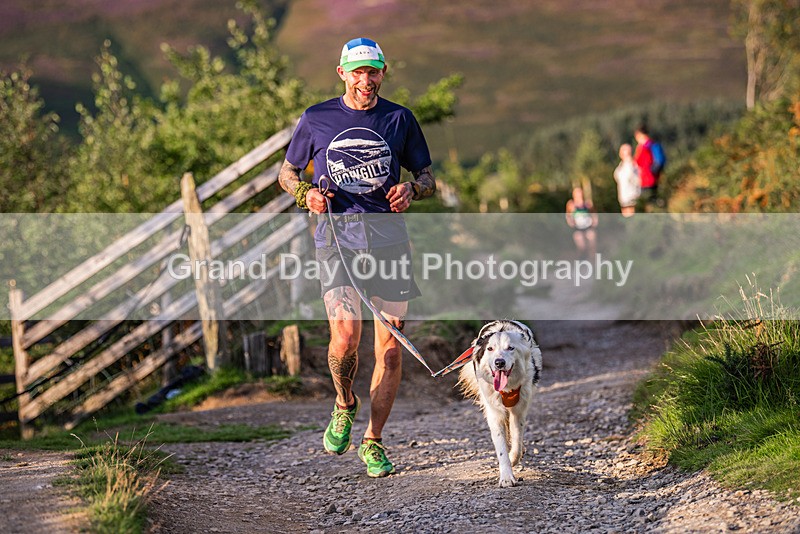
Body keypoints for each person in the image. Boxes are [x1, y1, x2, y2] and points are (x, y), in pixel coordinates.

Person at [277, 37, 436, 478]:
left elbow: (427, 177)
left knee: (391, 349)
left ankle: (373, 441)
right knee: (345, 337)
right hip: (337, 239)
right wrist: (305, 194)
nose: (366, 80)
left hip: (389, 241)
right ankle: (344, 403)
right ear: (342, 74)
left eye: (373, 71)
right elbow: (287, 173)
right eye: (358, 72)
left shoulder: (399, 118)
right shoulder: (316, 118)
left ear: (383, 73)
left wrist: (412, 189)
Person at [565, 186, 598, 259]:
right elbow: (568, 215)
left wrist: (594, 221)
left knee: (591, 239)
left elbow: (594, 213)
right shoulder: (571, 204)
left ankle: (592, 259)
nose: (579, 196)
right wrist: (570, 222)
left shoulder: (587, 204)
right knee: (581, 244)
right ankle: (581, 258)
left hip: (588, 227)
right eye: (577, 194)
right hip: (577, 228)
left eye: (580, 194)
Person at [633, 124, 658, 206]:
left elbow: (637, 161)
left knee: (649, 204)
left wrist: (652, 171)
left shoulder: (647, 146)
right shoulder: (646, 146)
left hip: (648, 179)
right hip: (647, 179)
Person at [613, 143, 640, 217]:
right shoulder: (620, 167)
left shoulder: (634, 165)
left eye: (628, 153)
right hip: (623, 200)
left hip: (633, 199)